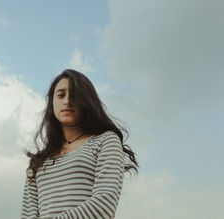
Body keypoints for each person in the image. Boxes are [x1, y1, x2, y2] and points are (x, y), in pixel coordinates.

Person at [21, 69, 138, 219]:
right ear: (52, 102)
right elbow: (27, 214)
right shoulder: (37, 161)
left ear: (87, 101)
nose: (67, 101)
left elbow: (104, 204)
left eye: (75, 95)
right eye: (61, 95)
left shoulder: (106, 141)